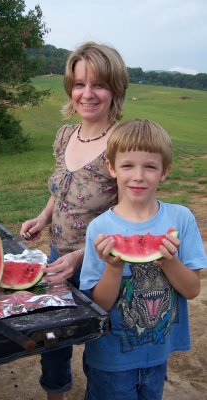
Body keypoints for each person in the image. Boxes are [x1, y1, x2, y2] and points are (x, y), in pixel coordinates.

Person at [20, 41, 129, 400]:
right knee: (52, 341)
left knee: (100, 348)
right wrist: (42, 217)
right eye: (80, 83)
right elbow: (61, 190)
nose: (87, 93)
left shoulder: (123, 144)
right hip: (56, 257)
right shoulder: (66, 135)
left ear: (115, 88)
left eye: (98, 84)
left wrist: (80, 256)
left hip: (101, 265)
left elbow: (129, 219)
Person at [79, 119, 207, 400]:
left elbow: (192, 290)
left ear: (165, 171)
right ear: (112, 168)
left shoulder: (180, 219)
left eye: (150, 166)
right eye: (127, 166)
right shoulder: (100, 229)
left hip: (157, 355)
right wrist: (114, 268)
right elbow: (99, 304)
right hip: (110, 359)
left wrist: (169, 261)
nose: (138, 176)